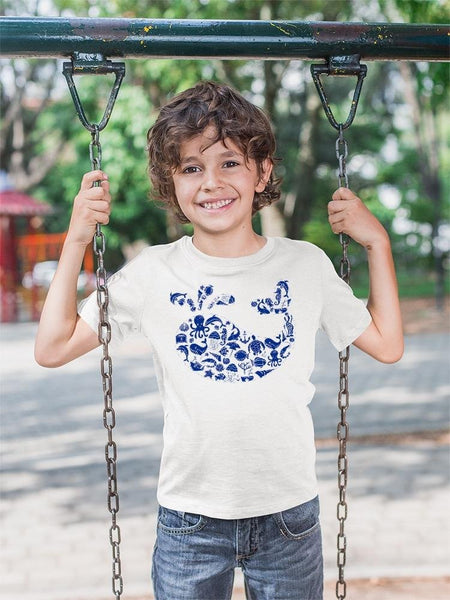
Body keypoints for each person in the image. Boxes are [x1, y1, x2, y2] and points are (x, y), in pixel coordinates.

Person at [35, 81, 403, 600]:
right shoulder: (155, 272)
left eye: (229, 163)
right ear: (173, 182)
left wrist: (377, 243)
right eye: (191, 167)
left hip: (288, 517)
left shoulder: (303, 264)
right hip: (191, 520)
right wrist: (76, 239)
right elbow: (51, 348)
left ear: (263, 171)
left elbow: (387, 344)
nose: (211, 183)